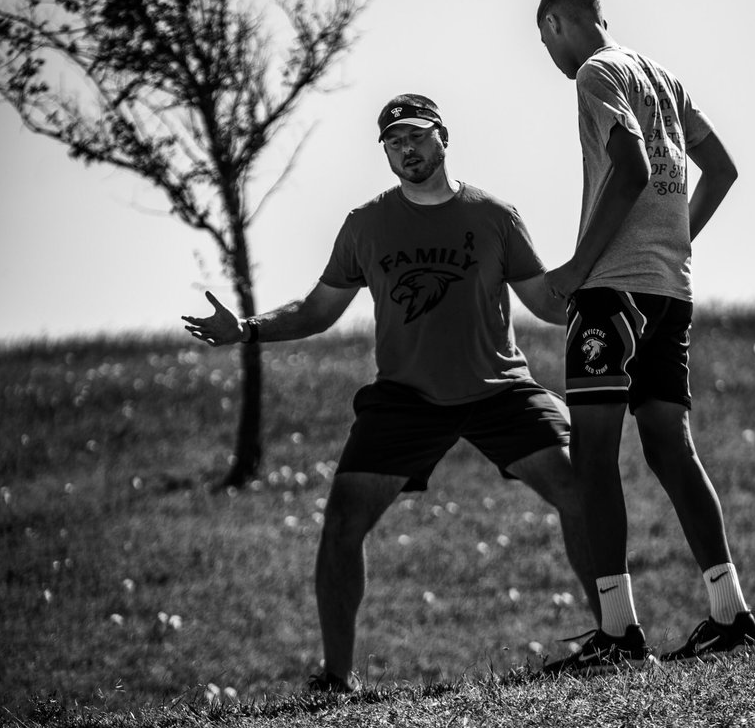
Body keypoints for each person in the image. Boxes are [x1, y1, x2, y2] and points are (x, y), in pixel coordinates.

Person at [183, 94, 598, 692]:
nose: (407, 149)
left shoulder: (494, 216)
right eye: (394, 141)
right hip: (405, 397)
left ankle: (614, 637)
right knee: (343, 520)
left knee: (579, 487)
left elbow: (545, 303)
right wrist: (246, 330)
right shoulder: (365, 225)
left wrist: (608, 308)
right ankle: (336, 678)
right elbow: (318, 310)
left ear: (443, 137)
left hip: (500, 388)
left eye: (417, 136)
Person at [536, 0, 755, 672]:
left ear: (556, 25)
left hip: (614, 292)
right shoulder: (663, 78)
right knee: (670, 447)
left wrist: (579, 266)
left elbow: (630, 169)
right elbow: (720, 168)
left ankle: (618, 633)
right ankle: (731, 615)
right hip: (673, 292)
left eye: (543, 37)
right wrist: (678, 240)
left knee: (594, 455)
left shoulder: (596, 74)